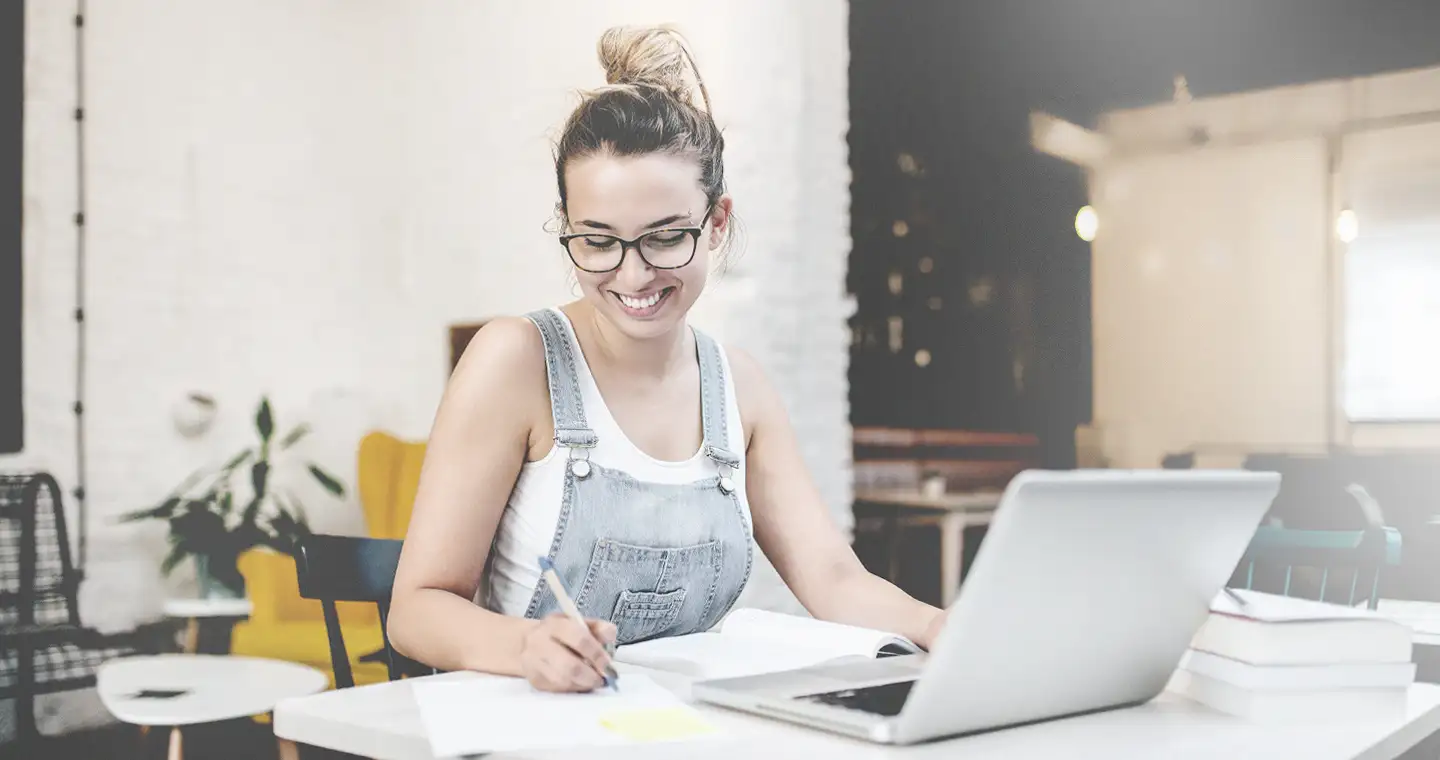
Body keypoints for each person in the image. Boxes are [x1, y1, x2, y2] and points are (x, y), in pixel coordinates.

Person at [387, 24, 946, 693]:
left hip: (679, 729)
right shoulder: (515, 362)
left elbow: (830, 577)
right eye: (597, 241)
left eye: (665, 237)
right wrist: (527, 645)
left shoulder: (740, 387)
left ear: (716, 222)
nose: (632, 275)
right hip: (530, 727)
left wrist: (940, 627)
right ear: (566, 224)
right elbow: (416, 610)